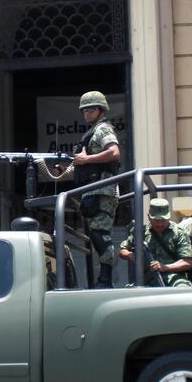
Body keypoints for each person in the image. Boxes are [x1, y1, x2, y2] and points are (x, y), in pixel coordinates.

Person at [74, 90, 121, 288]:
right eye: (83, 110)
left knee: (100, 236)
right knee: (96, 234)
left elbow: (114, 152)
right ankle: (104, 278)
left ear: (100, 110)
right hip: (94, 190)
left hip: (103, 190)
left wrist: (87, 159)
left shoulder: (102, 129)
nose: (85, 113)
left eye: (90, 109)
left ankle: (106, 279)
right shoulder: (92, 131)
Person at [119, 198, 192, 287]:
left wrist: (165, 267)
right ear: (149, 217)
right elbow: (122, 250)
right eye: (157, 220)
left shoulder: (178, 233)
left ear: (169, 217)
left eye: (163, 220)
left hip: (174, 277)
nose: (160, 224)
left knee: (183, 289)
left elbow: (187, 262)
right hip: (147, 279)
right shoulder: (140, 232)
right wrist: (130, 255)